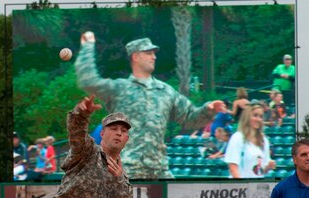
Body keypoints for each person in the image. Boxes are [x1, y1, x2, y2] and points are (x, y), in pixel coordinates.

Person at [75, 32, 223, 179]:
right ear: (136, 57)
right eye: (148, 53)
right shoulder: (119, 89)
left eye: (154, 53)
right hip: (126, 169)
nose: (154, 57)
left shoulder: (166, 91)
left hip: (159, 169)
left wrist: (208, 109)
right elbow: (88, 81)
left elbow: (190, 118)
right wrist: (87, 47)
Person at [224, 103, 276, 178]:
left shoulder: (264, 140)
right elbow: (233, 167)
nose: (258, 119)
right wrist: (242, 187)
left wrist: (268, 167)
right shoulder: (238, 137)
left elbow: (260, 171)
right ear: (247, 117)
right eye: (255, 115)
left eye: (261, 116)